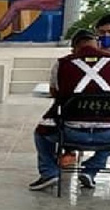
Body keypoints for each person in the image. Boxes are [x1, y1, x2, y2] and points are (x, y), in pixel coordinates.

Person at [29, 27, 110, 191]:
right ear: (97, 44)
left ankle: (49, 173)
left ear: (74, 47)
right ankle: (91, 170)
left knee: (41, 133)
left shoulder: (63, 63)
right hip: (107, 136)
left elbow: (55, 93)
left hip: (71, 134)